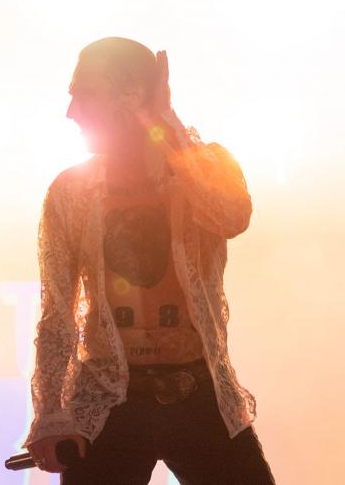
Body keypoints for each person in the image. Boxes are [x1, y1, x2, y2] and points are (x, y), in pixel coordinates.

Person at [24, 38, 275, 484]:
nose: (72, 112)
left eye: (85, 94)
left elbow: (231, 216)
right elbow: (57, 310)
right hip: (106, 400)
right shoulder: (71, 191)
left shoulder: (206, 166)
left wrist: (166, 122)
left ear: (132, 94)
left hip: (200, 392)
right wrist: (50, 414)